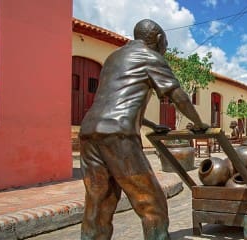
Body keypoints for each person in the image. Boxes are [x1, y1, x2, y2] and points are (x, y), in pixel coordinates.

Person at [78, 19, 207, 240]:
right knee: (151, 201)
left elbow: (114, 102)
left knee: (99, 200)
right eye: (165, 44)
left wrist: (149, 124)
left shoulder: (113, 58)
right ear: (158, 40)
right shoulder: (151, 57)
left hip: (89, 131)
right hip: (118, 136)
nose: (165, 48)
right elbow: (178, 96)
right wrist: (198, 124)